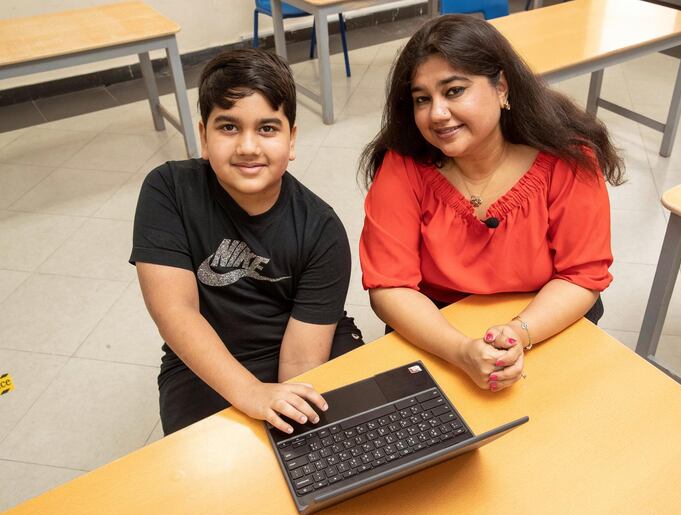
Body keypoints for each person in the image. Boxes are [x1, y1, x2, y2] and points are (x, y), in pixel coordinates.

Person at [359, 15, 623, 394]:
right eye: (422, 99)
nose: (436, 113)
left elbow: (582, 276)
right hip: (436, 330)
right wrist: (462, 351)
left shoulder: (568, 159)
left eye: (453, 91)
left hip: (547, 324)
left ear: (501, 87)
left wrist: (519, 333)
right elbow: (389, 286)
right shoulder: (403, 166)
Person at [131, 48, 363, 435]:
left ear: (291, 140)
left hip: (303, 342)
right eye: (229, 127)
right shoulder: (168, 189)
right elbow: (176, 312)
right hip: (204, 353)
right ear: (204, 136)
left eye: (267, 128)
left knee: (331, 442)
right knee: (205, 470)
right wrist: (251, 392)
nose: (248, 147)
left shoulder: (321, 229)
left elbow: (300, 362)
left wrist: (284, 409)